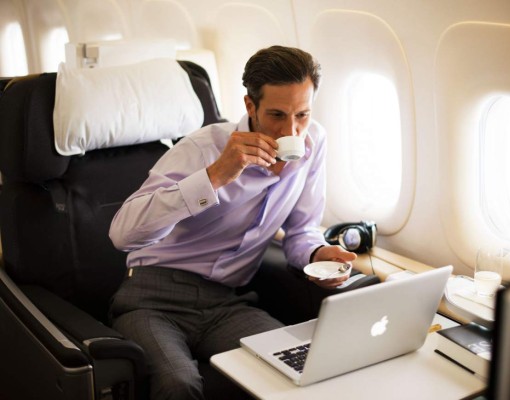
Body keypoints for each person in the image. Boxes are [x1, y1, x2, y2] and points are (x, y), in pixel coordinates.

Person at [108, 45, 357, 400]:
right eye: (277, 115)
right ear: (250, 106)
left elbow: (301, 231)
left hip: (226, 303)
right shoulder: (202, 148)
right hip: (154, 297)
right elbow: (122, 234)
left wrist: (318, 254)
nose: (291, 130)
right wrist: (214, 176)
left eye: (302, 114)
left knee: (301, 366)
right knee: (179, 384)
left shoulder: (313, 142)